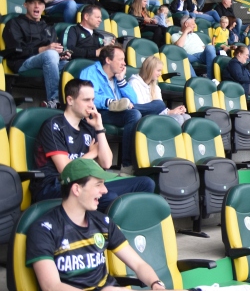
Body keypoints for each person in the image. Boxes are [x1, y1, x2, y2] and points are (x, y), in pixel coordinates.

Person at [27, 157, 250, 291]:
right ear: (77, 189)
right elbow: (52, 290)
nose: (105, 190)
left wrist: (155, 285)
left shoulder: (103, 222)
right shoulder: (45, 228)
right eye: (98, 184)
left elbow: (138, 264)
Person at [31, 78, 156, 208]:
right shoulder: (54, 125)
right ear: (70, 100)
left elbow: (106, 163)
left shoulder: (88, 127)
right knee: (108, 197)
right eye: (86, 100)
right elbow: (66, 171)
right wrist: (92, 153)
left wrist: (99, 128)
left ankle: (125, 227)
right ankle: (101, 226)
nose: (92, 105)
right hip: (55, 186)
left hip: (87, 183)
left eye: (92, 99)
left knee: (146, 184)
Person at [80, 45, 167, 172]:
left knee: (158, 105)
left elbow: (134, 99)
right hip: (99, 113)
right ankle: (127, 164)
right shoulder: (90, 72)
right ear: (108, 60)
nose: (124, 63)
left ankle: (121, 105)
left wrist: (121, 81)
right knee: (135, 114)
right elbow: (88, 97)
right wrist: (110, 102)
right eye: (120, 59)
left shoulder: (117, 76)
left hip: (120, 111)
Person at [2, 0, 68, 108]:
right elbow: (16, 50)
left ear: (43, 7)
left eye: (40, 3)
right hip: (22, 62)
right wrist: (43, 50)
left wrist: (61, 54)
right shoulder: (14, 23)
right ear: (25, 5)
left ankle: (74, 103)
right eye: (33, 3)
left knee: (71, 66)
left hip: (47, 61)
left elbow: (52, 50)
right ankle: (54, 100)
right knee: (50, 55)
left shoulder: (48, 28)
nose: (37, 6)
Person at [128, 56, 190, 125]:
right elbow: (143, 109)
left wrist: (175, 111)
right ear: (149, 69)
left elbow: (160, 109)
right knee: (177, 118)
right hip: (144, 118)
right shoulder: (134, 83)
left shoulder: (156, 87)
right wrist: (169, 112)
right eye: (158, 70)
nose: (160, 74)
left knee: (186, 117)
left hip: (156, 116)